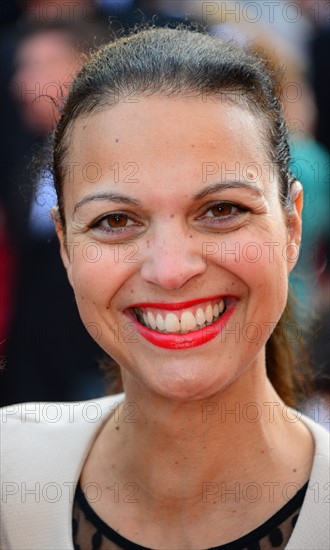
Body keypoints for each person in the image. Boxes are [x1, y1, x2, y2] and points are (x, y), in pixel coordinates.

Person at [1, 27, 329, 550]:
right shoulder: (10, 478)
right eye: (115, 220)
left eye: (223, 210)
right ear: (65, 246)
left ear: (292, 227)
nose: (171, 269)